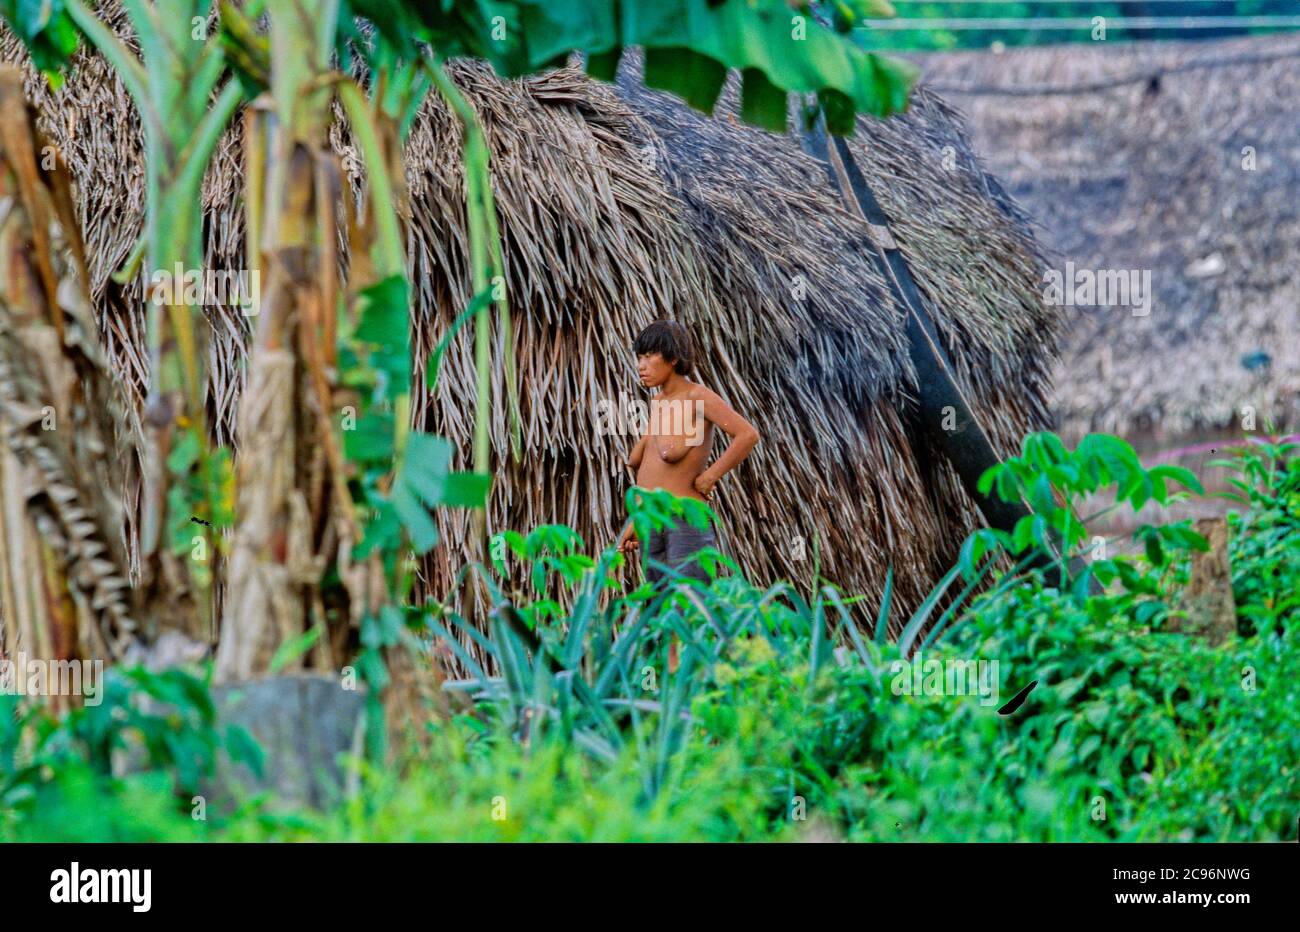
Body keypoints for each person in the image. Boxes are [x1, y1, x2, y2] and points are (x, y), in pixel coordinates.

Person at [618, 320, 760, 587]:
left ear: (672, 358)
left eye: (649, 356)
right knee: (660, 612)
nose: (641, 365)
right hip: (652, 521)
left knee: (689, 607)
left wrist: (709, 477)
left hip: (684, 519)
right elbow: (647, 465)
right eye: (639, 358)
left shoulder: (698, 397)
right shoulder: (658, 402)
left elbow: (747, 435)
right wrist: (637, 518)